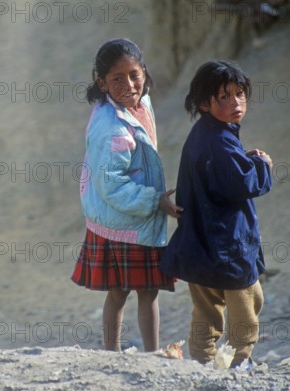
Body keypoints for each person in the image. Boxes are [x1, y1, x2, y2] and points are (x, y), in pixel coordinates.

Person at [70, 38, 182, 352]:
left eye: (134, 74)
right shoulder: (113, 129)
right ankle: (118, 353)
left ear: (144, 72)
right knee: (127, 291)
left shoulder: (139, 104)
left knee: (143, 291)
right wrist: (154, 201)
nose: (129, 84)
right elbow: (113, 185)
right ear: (101, 83)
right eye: (117, 79)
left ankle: (148, 354)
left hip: (123, 217)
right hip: (125, 219)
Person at [160, 60, 273, 367]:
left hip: (199, 245)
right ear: (204, 103)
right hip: (228, 246)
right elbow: (240, 184)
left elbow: (221, 171)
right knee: (247, 306)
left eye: (240, 93)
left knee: (207, 309)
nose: (236, 102)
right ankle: (238, 363)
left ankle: (201, 362)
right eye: (224, 97)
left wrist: (242, 157)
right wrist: (262, 165)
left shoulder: (206, 134)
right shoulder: (220, 141)